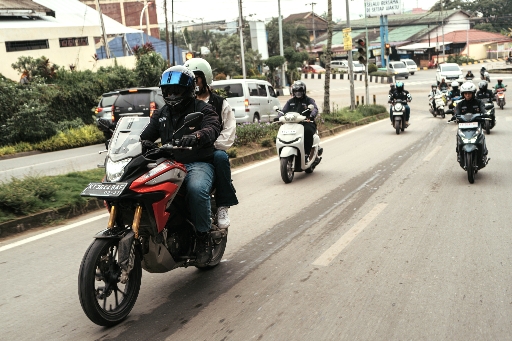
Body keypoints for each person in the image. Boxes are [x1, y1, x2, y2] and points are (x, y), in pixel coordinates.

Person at [140, 65, 221, 264]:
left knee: (196, 188)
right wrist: (143, 142)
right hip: (168, 163)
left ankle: (202, 238)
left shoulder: (202, 109)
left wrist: (197, 135)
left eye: (177, 90)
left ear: (188, 90)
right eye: (168, 91)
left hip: (197, 162)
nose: (172, 95)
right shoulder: (162, 113)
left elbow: (213, 127)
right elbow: (146, 134)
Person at [183, 57, 238, 230]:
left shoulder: (220, 103)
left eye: (196, 78)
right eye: (190, 79)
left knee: (221, 157)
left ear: (205, 78)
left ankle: (223, 205)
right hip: (186, 151)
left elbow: (229, 131)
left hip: (212, 150)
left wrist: (210, 146)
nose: (193, 82)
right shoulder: (185, 103)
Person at [280, 80, 319, 162]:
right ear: (293, 91)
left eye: (300, 91)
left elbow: (314, 108)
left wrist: (311, 116)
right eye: (296, 91)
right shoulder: (290, 102)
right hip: (293, 124)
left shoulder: (309, 100)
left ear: (303, 91)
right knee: (282, 132)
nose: (298, 92)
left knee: (307, 132)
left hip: (307, 122)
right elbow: (283, 111)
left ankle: (306, 154)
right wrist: (279, 117)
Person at [452, 81, 488, 161]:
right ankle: (459, 152)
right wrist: (454, 116)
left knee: (481, 136)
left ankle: (484, 151)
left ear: (473, 93)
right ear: (463, 94)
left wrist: (485, 114)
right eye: (465, 93)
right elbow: (456, 112)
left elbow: (483, 110)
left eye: (469, 93)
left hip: (476, 126)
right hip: (463, 126)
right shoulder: (460, 104)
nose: (467, 95)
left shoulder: (479, 102)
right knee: (458, 136)